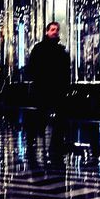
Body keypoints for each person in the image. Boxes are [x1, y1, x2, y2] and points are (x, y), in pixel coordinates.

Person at [26, 22, 70, 163]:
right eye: (52, 30)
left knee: (59, 117)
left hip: (56, 89)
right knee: (41, 116)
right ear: (47, 32)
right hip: (43, 88)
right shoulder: (39, 49)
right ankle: (33, 140)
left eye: (57, 30)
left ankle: (55, 144)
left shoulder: (60, 50)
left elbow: (65, 70)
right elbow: (32, 67)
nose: (55, 32)